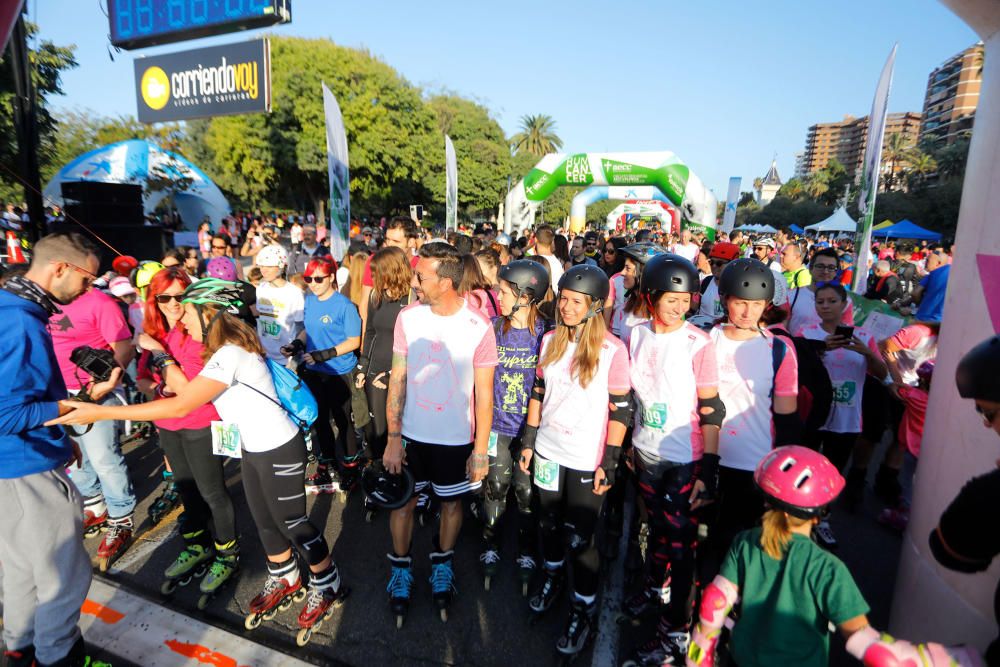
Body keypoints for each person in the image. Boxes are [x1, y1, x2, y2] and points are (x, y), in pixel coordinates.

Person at [50, 278, 350, 639]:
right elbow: (178, 387)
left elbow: (181, 402)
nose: (183, 320)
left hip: (278, 447)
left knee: (292, 522)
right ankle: (284, 575)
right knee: (264, 521)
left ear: (211, 314)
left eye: (190, 313)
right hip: (253, 447)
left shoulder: (232, 354)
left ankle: (327, 581)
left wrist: (97, 413)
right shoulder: (220, 352)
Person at [0, 232, 106, 666]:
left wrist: (61, 433)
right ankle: (58, 658)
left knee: (21, 569)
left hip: (13, 469)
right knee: (64, 578)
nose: (88, 289)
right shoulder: (21, 321)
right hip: (28, 468)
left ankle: (19, 649)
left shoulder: (11, 308)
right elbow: (6, 414)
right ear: (60, 268)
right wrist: (75, 406)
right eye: (87, 279)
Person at [517, 264, 630, 659]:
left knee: (581, 537)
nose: (564, 306)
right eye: (562, 298)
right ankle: (552, 577)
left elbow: (621, 411)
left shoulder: (613, 351)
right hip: (548, 450)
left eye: (574, 301)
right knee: (548, 522)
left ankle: (583, 605)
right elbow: (538, 391)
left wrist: (611, 462)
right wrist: (529, 441)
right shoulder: (549, 340)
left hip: (587, 459)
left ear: (595, 306)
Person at [383, 242, 496, 625]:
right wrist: (393, 438)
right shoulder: (408, 318)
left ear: (446, 282)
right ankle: (400, 570)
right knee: (402, 505)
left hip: (455, 441)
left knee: (451, 506)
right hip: (412, 437)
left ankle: (442, 565)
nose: (413, 282)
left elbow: (485, 394)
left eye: (421, 276)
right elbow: (398, 378)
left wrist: (480, 450)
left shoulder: (479, 325)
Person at [620, 254, 723, 666]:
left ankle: (675, 633)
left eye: (686, 300)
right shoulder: (637, 334)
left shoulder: (699, 343)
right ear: (650, 297)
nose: (680, 307)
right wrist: (628, 442)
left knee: (682, 549)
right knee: (657, 529)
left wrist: (710, 469)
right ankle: (653, 588)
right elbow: (635, 395)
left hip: (684, 458)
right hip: (646, 450)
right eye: (671, 300)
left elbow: (712, 407)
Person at [135, 267, 239, 603]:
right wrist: (160, 383)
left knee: (212, 492)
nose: (173, 304)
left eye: (180, 296)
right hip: (168, 424)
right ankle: (197, 546)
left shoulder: (199, 332)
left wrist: (161, 357)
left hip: (201, 423)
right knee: (185, 488)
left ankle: (227, 555)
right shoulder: (156, 332)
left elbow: (190, 390)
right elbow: (142, 381)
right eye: (164, 297)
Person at [703, 259, 800, 578]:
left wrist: (781, 474)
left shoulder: (780, 349)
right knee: (703, 542)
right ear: (725, 299)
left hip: (754, 465)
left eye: (756, 304)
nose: (747, 312)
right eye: (740, 303)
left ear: (767, 305)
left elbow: (786, 420)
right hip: (707, 458)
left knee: (740, 542)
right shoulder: (705, 340)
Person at [49, 247, 138, 572]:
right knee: (76, 457)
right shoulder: (47, 300)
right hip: (59, 393)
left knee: (104, 458)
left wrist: (106, 382)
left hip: (95, 392)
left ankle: (120, 516)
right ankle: (95, 505)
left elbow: (124, 348)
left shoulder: (100, 302)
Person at [479, 260, 551, 593]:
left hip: (530, 431)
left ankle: (526, 549)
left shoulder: (547, 333)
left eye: (505, 291)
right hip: (498, 424)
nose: (498, 296)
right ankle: (490, 544)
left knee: (525, 491)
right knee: (496, 486)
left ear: (526, 295)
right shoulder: (493, 328)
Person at [799, 282, 888, 547]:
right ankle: (800, 516)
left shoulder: (863, 336)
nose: (825, 306)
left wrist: (867, 354)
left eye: (831, 301)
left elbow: (882, 375)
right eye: (820, 302)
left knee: (833, 471)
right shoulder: (807, 333)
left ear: (844, 303)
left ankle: (823, 519)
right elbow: (800, 371)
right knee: (807, 468)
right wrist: (821, 348)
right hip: (814, 415)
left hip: (847, 419)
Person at [280, 258, 362, 495]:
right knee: (320, 421)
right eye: (308, 279)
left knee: (343, 420)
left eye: (318, 279)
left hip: (339, 371)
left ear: (332, 277)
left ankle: (351, 467)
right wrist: (296, 344)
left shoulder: (345, 306)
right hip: (314, 371)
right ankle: (327, 463)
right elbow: (308, 330)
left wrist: (323, 354)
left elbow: (354, 341)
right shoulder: (310, 301)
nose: (313, 284)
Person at [355, 247, 413, 521]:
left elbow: (417, 345)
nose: (373, 277)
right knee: (376, 434)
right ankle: (379, 486)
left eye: (378, 272)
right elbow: (371, 333)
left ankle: (404, 485)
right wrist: (362, 367)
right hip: (374, 373)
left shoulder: (412, 299)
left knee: (400, 432)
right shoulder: (377, 296)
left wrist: (391, 374)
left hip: (400, 373)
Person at [786, 248, 855, 336]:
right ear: (810, 268)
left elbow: (845, 335)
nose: (825, 271)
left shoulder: (846, 301)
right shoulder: (791, 296)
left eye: (831, 267)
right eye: (820, 266)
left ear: (836, 272)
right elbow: (781, 329)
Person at [255, 245, 304, 364]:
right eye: (261, 266)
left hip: (286, 358)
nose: (263, 270)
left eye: (269, 266)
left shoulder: (295, 293)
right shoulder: (260, 289)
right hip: (263, 355)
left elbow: (301, 328)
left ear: (282, 266)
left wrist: (294, 350)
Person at [697, 242, 740, 320]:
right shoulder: (706, 282)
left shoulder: (739, 289)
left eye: (719, 263)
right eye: (711, 262)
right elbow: (695, 307)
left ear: (733, 264)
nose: (714, 266)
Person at [912, 250, 951, 322]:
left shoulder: (933, 274)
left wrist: (918, 304)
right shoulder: (953, 272)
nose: (925, 263)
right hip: (942, 321)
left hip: (923, 318)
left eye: (928, 261)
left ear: (938, 263)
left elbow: (915, 293)